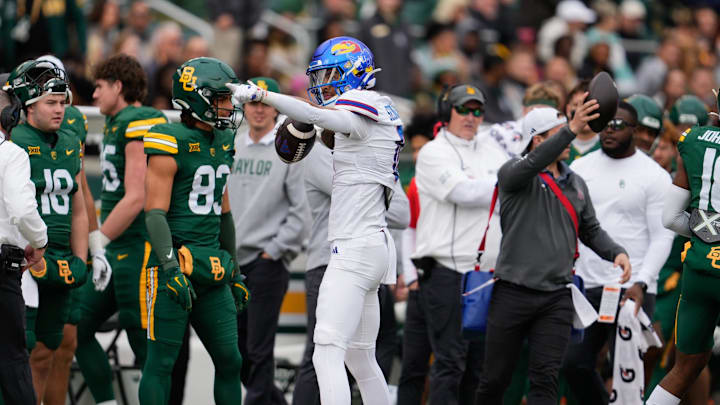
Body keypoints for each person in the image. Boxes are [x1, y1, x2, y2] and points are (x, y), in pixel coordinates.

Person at [229, 36, 403, 405]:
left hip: (353, 248)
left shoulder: (361, 109)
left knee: (327, 350)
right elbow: (327, 130)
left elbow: (320, 117)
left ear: (351, 71)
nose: (320, 83)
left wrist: (265, 96)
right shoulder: (380, 110)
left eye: (327, 74)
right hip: (373, 246)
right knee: (360, 357)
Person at [476, 101, 631, 405]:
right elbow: (529, 166)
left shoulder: (575, 182)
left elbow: (590, 230)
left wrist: (616, 252)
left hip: (556, 296)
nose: (570, 140)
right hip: (513, 292)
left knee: (546, 379)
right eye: (560, 134)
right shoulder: (513, 173)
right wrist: (572, 128)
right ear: (538, 139)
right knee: (495, 379)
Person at [137, 57, 248, 405]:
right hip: (174, 264)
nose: (229, 107)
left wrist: (236, 270)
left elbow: (224, 213)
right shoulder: (169, 140)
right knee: (161, 363)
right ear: (197, 98)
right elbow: (154, 214)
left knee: (231, 360)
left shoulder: (224, 139)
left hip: (212, 266)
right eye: (221, 98)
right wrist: (168, 267)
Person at [564, 101, 674, 405]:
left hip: (632, 289)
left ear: (634, 131)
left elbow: (662, 237)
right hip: (587, 285)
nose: (609, 130)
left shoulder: (653, 176)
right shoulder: (579, 168)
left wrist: (643, 281)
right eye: (605, 124)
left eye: (618, 125)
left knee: (625, 370)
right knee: (573, 363)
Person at [74, 54, 168, 405]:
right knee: (76, 327)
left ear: (118, 86)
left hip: (139, 248)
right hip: (118, 249)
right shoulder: (117, 121)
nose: (94, 96)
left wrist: (98, 241)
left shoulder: (139, 119)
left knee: (143, 343)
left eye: (99, 87)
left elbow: (137, 197)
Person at [293, 122, 410, 405]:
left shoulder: (370, 155)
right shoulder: (322, 154)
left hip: (368, 263)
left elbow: (403, 214)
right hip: (330, 263)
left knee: (366, 355)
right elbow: (393, 208)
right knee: (323, 354)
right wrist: (374, 193)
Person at [406, 84, 505, 405]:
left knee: (479, 367)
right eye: (464, 109)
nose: (471, 117)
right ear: (446, 111)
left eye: (477, 111)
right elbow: (464, 193)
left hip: (486, 275)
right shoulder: (434, 152)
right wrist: (507, 182)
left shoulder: (493, 151)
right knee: (450, 362)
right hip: (446, 272)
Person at [6, 58, 89, 403]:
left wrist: (82, 256)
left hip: (60, 257)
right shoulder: (14, 143)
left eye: (62, 102)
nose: (60, 110)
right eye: (51, 103)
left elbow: (80, 206)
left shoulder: (70, 141)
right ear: (27, 106)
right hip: (24, 258)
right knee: (19, 350)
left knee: (48, 348)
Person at [226, 76, 309, 405]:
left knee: (259, 352)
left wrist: (272, 253)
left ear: (276, 108)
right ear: (244, 106)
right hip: (231, 263)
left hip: (266, 262)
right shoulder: (233, 143)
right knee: (237, 352)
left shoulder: (290, 147)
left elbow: (302, 213)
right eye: (253, 103)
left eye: (265, 103)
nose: (259, 110)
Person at [646, 91, 720, 405]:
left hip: (700, 265)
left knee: (684, 367)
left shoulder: (693, 141)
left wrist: (712, 231)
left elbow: (671, 218)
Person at [32, 54, 96, 405]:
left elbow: (81, 190)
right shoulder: (20, 128)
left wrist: (92, 247)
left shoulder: (70, 121)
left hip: (65, 250)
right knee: (33, 347)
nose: (57, 105)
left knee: (64, 342)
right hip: (29, 252)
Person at [0, 86, 47, 405]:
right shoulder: (11, 153)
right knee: (13, 360)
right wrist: (39, 239)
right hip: (3, 268)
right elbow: (21, 209)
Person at [564, 80, 599, 162]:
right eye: (577, 105)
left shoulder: (610, 146)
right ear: (568, 110)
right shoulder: (556, 147)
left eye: (590, 105)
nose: (584, 110)